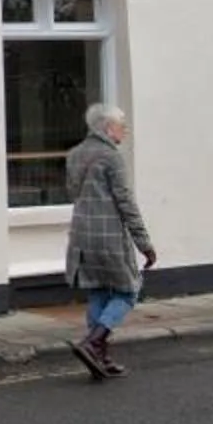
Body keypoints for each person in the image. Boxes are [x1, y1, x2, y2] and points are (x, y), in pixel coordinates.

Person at [63, 103, 157, 382]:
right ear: (106, 127)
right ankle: (94, 342)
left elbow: (72, 193)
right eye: (121, 124)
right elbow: (125, 202)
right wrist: (144, 244)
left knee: (99, 292)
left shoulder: (74, 154)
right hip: (109, 236)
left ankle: (100, 356)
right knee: (129, 290)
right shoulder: (111, 157)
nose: (124, 130)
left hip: (81, 235)